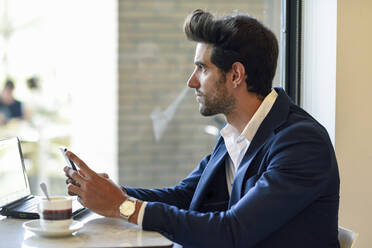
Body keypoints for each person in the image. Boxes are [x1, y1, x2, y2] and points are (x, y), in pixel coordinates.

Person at [64, 9, 340, 248]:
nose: (191, 82)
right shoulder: (236, 133)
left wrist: (122, 207)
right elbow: (184, 196)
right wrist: (108, 192)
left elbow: (233, 232)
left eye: (202, 69)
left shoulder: (301, 143)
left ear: (235, 75)